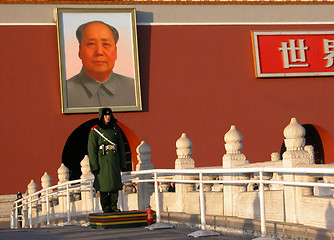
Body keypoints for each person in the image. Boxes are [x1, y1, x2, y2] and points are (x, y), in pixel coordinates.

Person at [66, 21, 136, 108]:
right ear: (80, 51)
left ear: (115, 52)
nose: (99, 52)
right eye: (91, 44)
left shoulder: (134, 88)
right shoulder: (65, 91)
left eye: (106, 44)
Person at [88, 107, 127, 213]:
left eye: (109, 115)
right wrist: (94, 166)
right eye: (105, 115)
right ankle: (106, 207)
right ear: (101, 116)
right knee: (104, 186)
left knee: (115, 185)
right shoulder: (95, 131)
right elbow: (92, 150)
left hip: (114, 160)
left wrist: (123, 163)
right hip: (102, 161)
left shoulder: (115, 129)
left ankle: (114, 206)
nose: (107, 117)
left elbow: (121, 147)